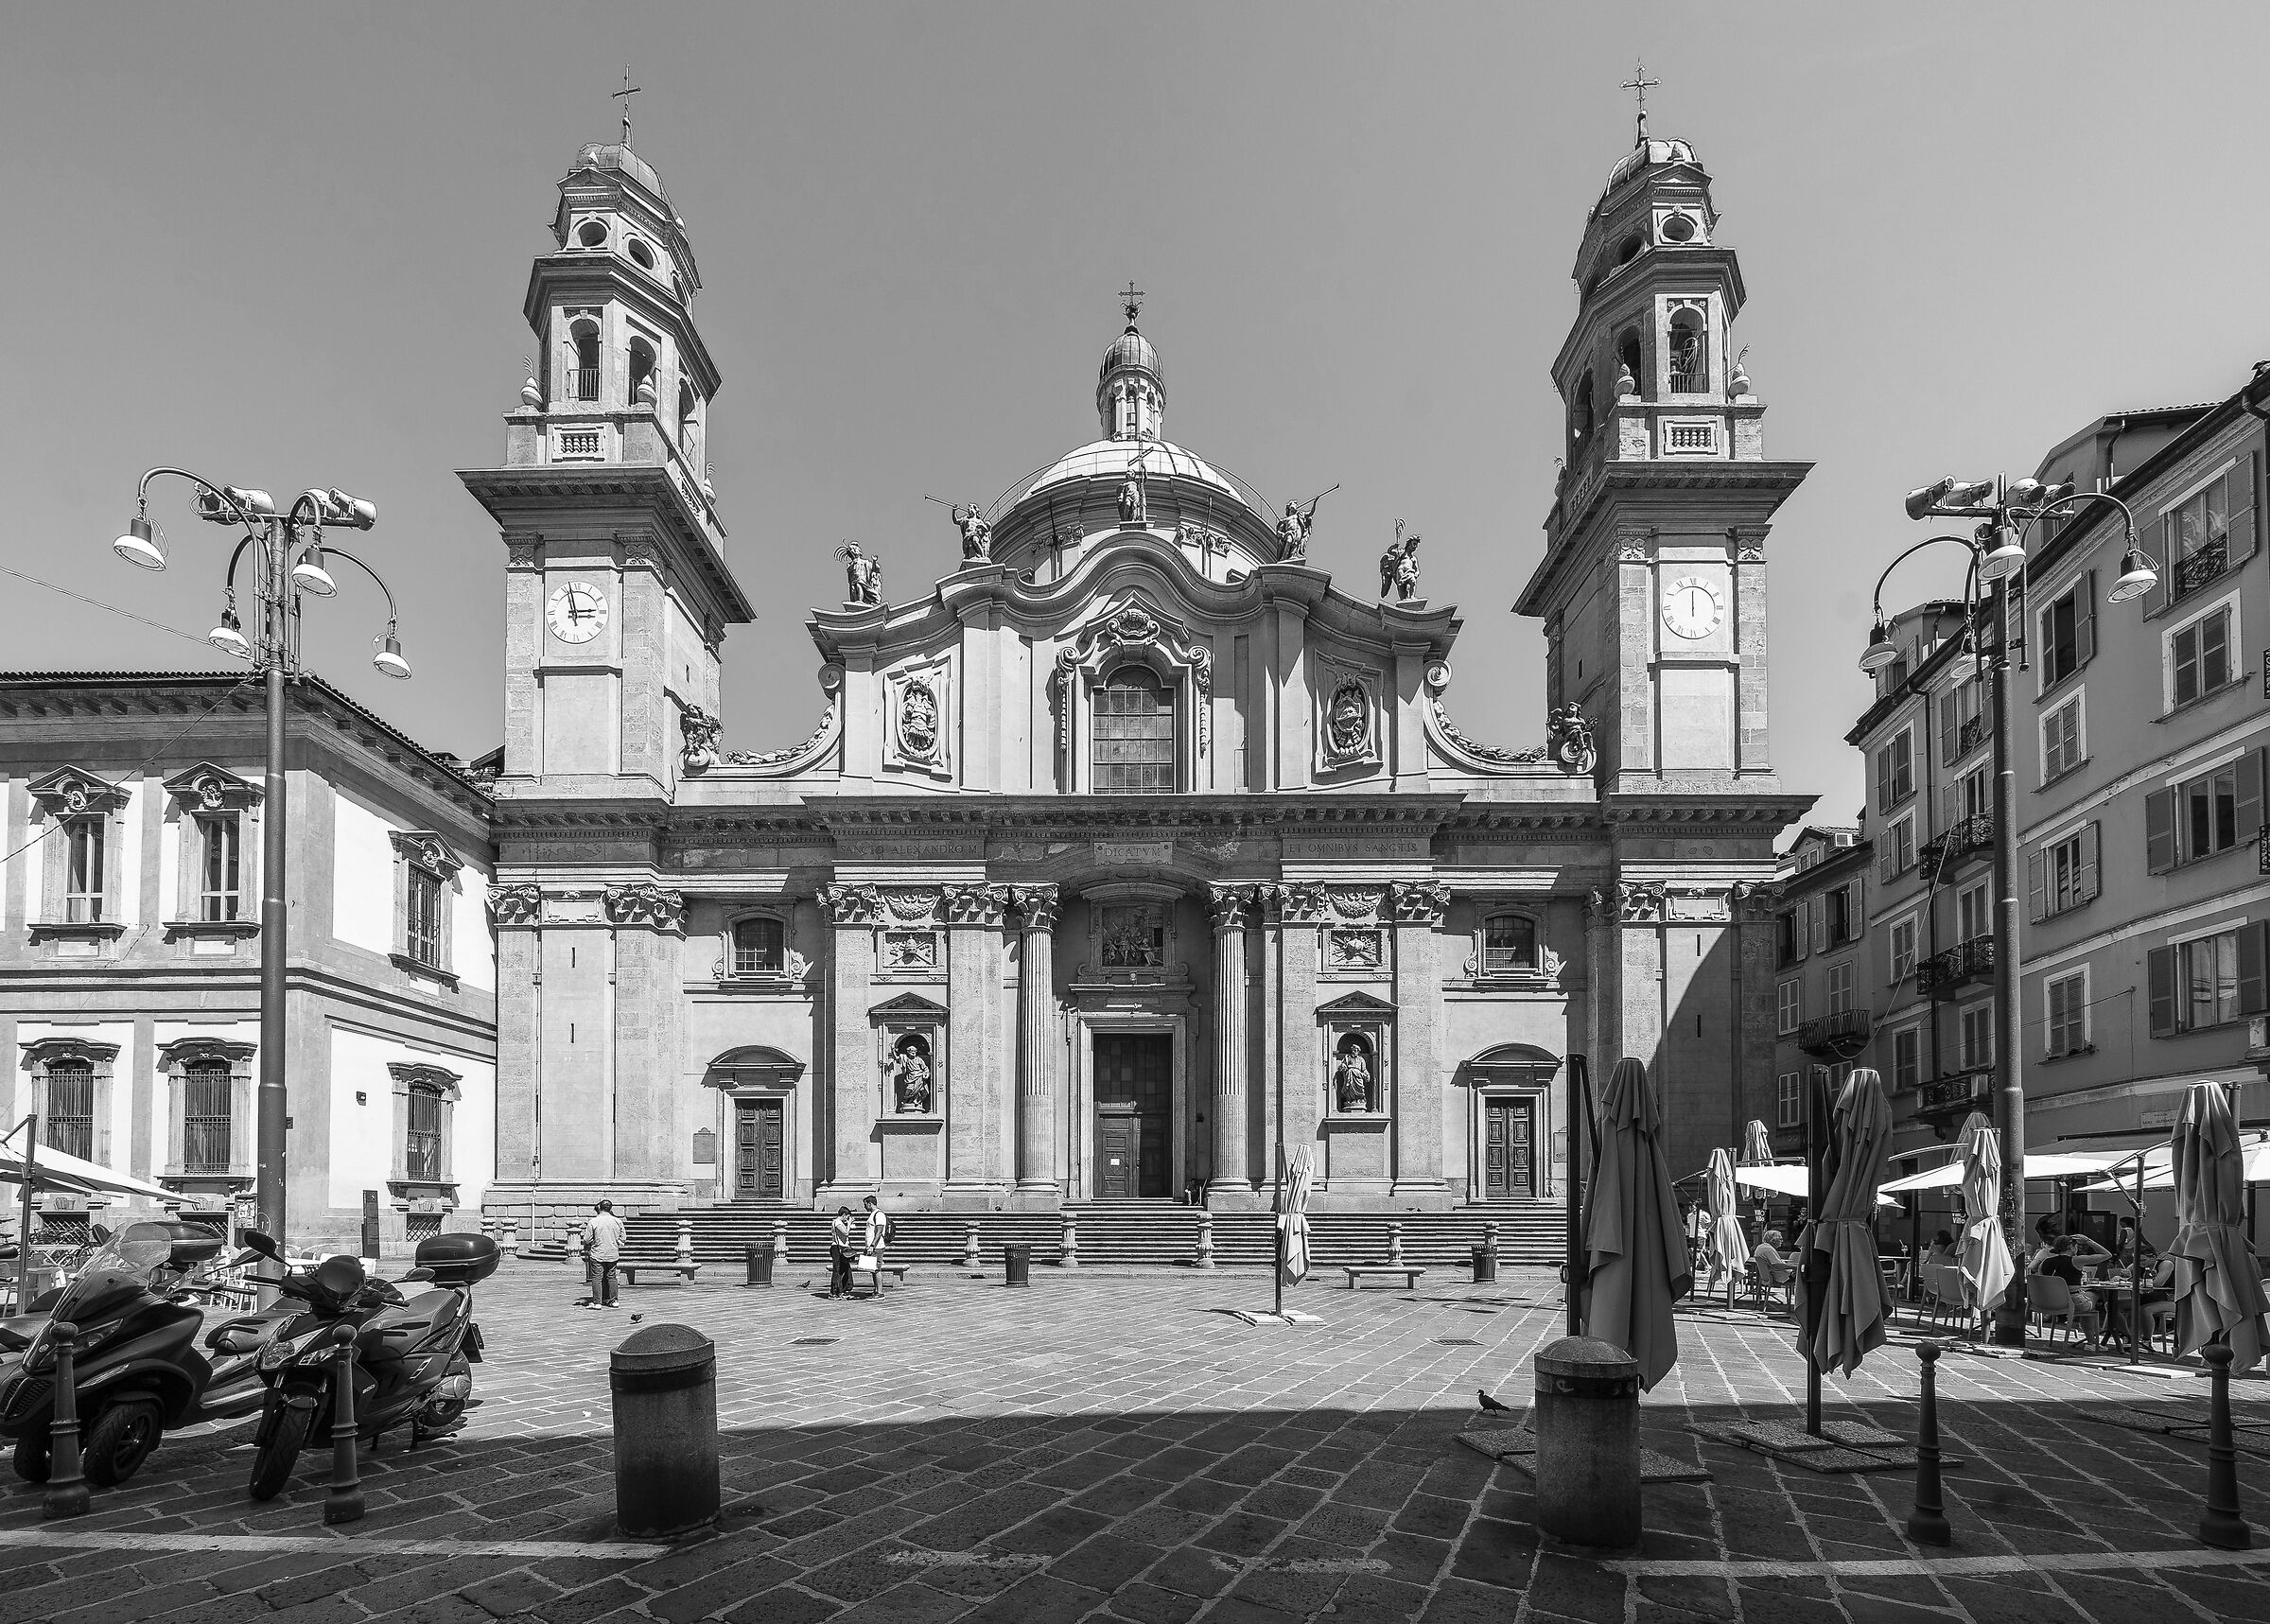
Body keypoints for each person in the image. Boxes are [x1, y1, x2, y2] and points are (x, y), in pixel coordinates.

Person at [2035, 1235, 2104, 1349]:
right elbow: (2106, 1255)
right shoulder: (2076, 1260)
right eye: (2076, 1246)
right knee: (2095, 1293)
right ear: (2070, 1247)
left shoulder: (2045, 1262)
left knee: (2086, 1301)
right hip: (2072, 1302)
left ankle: (2091, 1341)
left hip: (2048, 1302)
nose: (2077, 1249)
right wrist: (2089, 1241)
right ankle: (2091, 1342)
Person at [582, 1199, 625, 1310]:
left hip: (598, 1253)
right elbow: (623, 1238)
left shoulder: (593, 1222)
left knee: (597, 1278)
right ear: (610, 1209)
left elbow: (587, 1239)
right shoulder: (617, 1221)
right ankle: (614, 1300)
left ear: (600, 1207)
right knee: (612, 1277)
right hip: (612, 1253)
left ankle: (597, 1302)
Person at [1752, 1228, 1795, 1305]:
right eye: (1780, 1239)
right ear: (1773, 1240)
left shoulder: (1761, 1247)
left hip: (1769, 1276)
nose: (1782, 1241)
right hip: (1781, 1277)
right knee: (1806, 1276)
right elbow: (1778, 1265)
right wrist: (1795, 1267)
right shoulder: (1769, 1250)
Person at [828, 1205, 857, 1299]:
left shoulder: (839, 1222)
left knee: (845, 1269)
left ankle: (843, 1290)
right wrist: (849, 1223)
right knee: (838, 1270)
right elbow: (845, 1232)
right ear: (844, 1215)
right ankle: (834, 1292)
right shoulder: (837, 1222)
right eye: (847, 1217)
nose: (847, 1219)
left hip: (843, 1248)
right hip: (837, 1248)